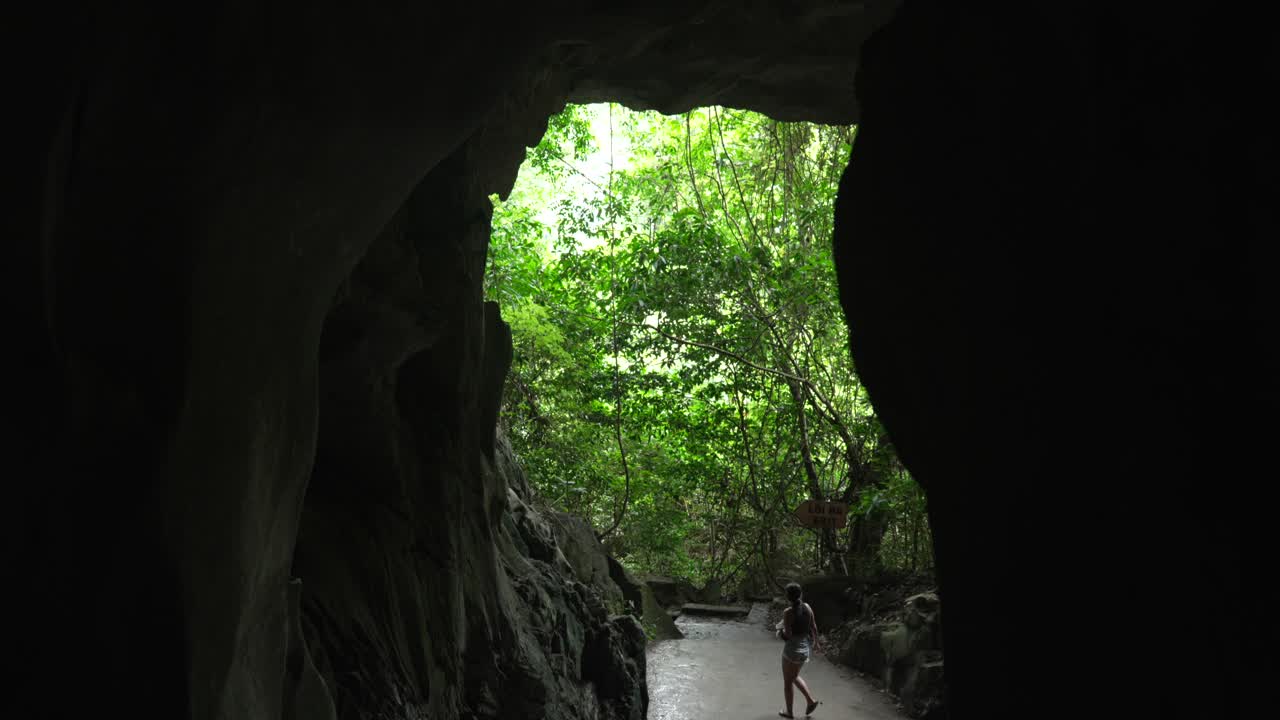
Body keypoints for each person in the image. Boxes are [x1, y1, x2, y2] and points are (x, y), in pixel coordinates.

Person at [777, 582, 821, 717]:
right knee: (794, 676)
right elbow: (813, 626)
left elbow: (788, 635)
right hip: (805, 649)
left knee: (787, 681)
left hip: (792, 651)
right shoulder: (807, 607)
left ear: (787, 597)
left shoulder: (788, 612)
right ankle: (810, 701)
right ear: (800, 594)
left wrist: (779, 632)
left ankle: (789, 713)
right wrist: (816, 643)